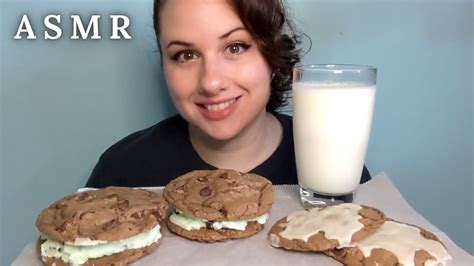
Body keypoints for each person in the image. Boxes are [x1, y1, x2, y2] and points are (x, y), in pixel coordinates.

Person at [86, 0, 371, 188]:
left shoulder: (334, 166)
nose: (211, 82)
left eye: (235, 47)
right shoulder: (121, 171)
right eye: (185, 55)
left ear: (272, 54)